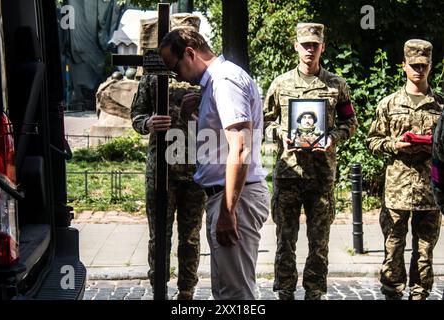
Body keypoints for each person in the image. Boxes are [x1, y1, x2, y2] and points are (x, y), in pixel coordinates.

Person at [159, 28, 270, 300]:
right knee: (225, 293)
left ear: (190, 52)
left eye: (175, 69)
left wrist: (228, 211)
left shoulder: (225, 81)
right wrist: (196, 114)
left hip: (234, 198)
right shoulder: (214, 84)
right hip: (225, 196)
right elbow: (219, 143)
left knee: (236, 296)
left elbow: (240, 148)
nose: (177, 77)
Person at [264, 23, 358, 300]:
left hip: (321, 175)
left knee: (319, 244)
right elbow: (266, 122)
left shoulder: (337, 85)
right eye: (305, 45)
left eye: (314, 45)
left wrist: (333, 138)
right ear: (296, 47)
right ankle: (285, 292)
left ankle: (314, 293)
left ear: (322, 48)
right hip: (289, 173)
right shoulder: (280, 84)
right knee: (285, 242)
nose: (309, 50)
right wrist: (282, 133)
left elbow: (350, 122)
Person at [367, 39, 443, 300]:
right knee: (393, 249)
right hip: (397, 190)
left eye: (423, 65)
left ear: (430, 66)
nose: (418, 71)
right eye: (413, 65)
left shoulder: (440, 106)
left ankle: (420, 295)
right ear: (403, 66)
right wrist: (394, 144)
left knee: (424, 253)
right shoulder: (389, 104)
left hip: (429, 191)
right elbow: (372, 141)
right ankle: (392, 293)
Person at [131, 58, 206, 300]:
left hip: (194, 169)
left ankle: (186, 292)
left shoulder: (202, 76)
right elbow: (137, 114)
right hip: (161, 170)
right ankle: (159, 289)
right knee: (159, 236)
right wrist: (147, 123)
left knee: (191, 236)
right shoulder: (153, 75)